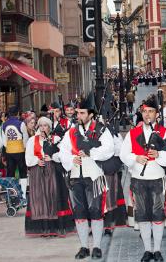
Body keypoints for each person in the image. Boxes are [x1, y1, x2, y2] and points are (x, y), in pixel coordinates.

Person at [58, 93, 115, 259]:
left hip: (95, 177)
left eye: (82, 113)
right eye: (78, 113)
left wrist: (91, 151)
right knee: (79, 213)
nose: (79, 116)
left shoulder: (101, 130)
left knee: (96, 211)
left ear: (91, 114)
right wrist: (71, 158)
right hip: (75, 177)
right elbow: (63, 151)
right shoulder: (71, 132)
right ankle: (84, 247)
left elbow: (109, 149)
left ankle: (96, 246)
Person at [119, 94, 166, 262]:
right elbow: (123, 154)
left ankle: (157, 250)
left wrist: (158, 155)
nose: (147, 114)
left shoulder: (164, 132)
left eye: (151, 111)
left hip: (157, 178)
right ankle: (147, 250)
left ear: (157, 113)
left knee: (158, 215)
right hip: (139, 179)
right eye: (145, 111)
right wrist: (135, 158)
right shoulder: (133, 133)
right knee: (142, 215)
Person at [24, 117, 75, 237]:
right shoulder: (32, 140)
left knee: (52, 197)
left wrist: (52, 157)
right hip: (37, 173)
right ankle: (43, 229)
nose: (42, 128)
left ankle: (54, 228)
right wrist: (37, 160)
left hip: (53, 172)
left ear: (49, 127)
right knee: (40, 200)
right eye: (40, 126)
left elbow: (63, 154)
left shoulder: (56, 139)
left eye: (45, 125)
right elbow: (28, 158)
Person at [103, 119, 128, 236]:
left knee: (109, 198)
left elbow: (120, 150)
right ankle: (95, 225)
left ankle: (108, 225)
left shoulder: (114, 135)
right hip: (94, 170)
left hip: (109, 170)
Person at [2, 106, 29, 200]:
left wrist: (9, 147)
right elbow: (25, 138)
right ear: (18, 113)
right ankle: (23, 195)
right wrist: (25, 148)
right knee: (22, 173)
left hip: (9, 151)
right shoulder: (21, 124)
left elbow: (4, 141)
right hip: (20, 151)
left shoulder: (4, 124)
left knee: (10, 173)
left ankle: (11, 195)